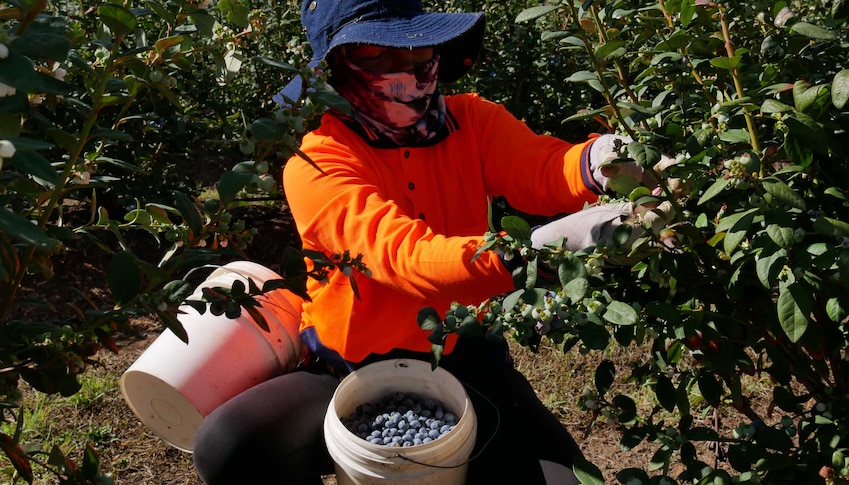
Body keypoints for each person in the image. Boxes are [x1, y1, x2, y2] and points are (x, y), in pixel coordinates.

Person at [192, 0, 666, 483]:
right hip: (348, 366)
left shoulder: (471, 121)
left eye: (417, 45)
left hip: (463, 350)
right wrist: (534, 253)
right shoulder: (319, 161)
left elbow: (540, 167)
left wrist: (604, 160)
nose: (409, 64)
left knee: (561, 477)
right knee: (229, 446)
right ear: (337, 67)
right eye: (382, 51)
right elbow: (405, 257)